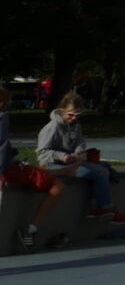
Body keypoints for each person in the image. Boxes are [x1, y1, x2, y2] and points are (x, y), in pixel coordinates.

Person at [35, 98, 125, 227]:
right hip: (52, 164)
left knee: (106, 169)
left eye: (78, 115)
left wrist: (79, 151)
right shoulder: (52, 127)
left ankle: (96, 207)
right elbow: (42, 152)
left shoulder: (75, 125)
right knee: (99, 172)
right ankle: (106, 208)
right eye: (71, 115)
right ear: (62, 111)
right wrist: (62, 156)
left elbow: (80, 141)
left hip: (71, 161)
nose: (74, 118)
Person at [2, 107, 71, 252]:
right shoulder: (2, 117)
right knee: (57, 186)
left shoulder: (74, 127)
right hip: (7, 169)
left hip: (10, 166)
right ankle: (31, 229)